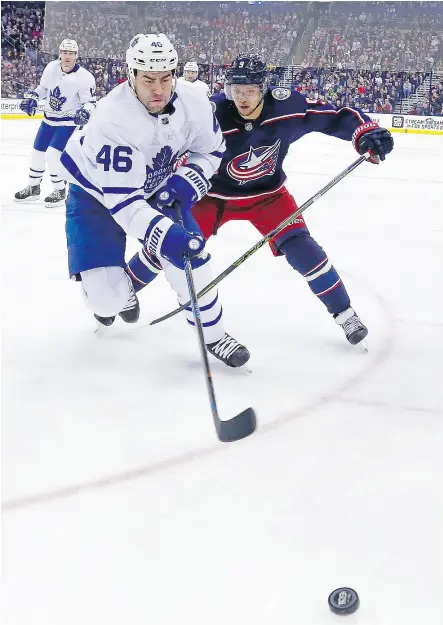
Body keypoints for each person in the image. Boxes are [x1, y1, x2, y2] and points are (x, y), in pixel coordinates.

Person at [127, 55, 394, 348]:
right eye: (235, 91)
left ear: (264, 89)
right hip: (212, 197)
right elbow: (167, 136)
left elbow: (334, 116)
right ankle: (121, 291)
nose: (241, 99)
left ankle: (345, 314)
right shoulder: (211, 112)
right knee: (167, 245)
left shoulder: (286, 107)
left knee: (304, 250)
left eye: (249, 91)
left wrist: (365, 133)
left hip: (268, 197)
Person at [59, 34, 249, 368]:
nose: (158, 90)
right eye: (148, 80)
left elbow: (212, 151)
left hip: (158, 187)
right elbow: (123, 203)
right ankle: (120, 292)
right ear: (130, 75)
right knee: (106, 302)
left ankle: (214, 335)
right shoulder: (112, 117)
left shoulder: (195, 103)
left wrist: (188, 181)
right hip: (94, 195)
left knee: (193, 258)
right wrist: (165, 235)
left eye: (165, 78)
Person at [14, 40, 96, 208]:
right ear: (60, 53)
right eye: (65, 52)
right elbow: (43, 88)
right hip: (48, 119)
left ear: (76, 55)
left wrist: (85, 111)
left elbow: (90, 102)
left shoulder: (85, 78)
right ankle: (33, 187)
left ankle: (59, 190)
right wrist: (34, 97)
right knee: (37, 152)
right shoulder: (51, 67)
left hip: (67, 123)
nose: (68, 56)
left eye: (71, 53)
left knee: (53, 154)